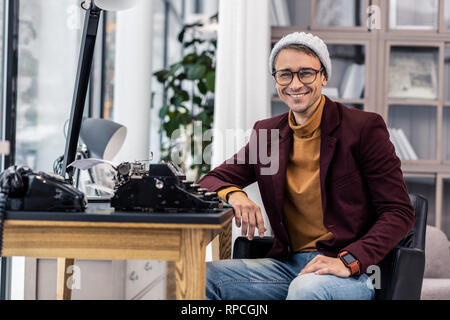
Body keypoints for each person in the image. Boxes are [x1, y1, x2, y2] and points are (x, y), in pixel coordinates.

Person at [198, 32, 415, 300]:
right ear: (276, 80)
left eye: (306, 73)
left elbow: (399, 212)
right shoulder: (268, 134)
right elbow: (210, 180)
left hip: (351, 271)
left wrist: (349, 260)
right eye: (285, 74)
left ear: (323, 77)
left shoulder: (362, 128)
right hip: (287, 266)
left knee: (306, 289)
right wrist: (235, 193)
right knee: (202, 278)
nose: (295, 83)